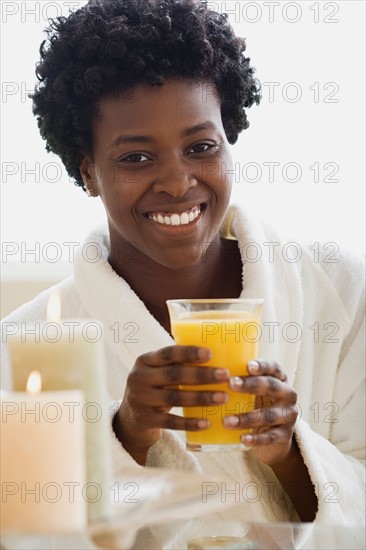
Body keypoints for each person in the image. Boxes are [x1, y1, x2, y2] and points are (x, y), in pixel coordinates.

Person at [1, 0, 364, 547]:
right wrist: (125, 438)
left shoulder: (337, 290)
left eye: (200, 147)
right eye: (135, 159)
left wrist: (289, 453)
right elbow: (31, 537)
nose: (176, 182)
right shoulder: (31, 343)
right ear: (89, 172)